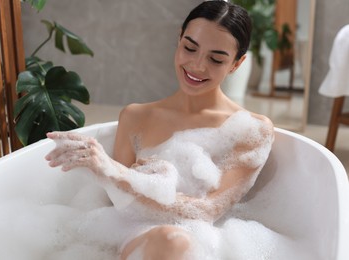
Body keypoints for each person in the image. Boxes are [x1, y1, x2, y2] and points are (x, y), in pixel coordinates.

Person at [45, 1, 274, 259]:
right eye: (190, 47)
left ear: (236, 63)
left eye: (216, 59)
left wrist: (116, 173)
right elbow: (119, 209)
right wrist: (113, 174)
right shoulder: (136, 117)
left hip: (201, 241)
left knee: (172, 240)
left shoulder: (251, 130)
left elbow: (207, 210)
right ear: (179, 39)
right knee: (170, 241)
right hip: (133, 236)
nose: (197, 65)